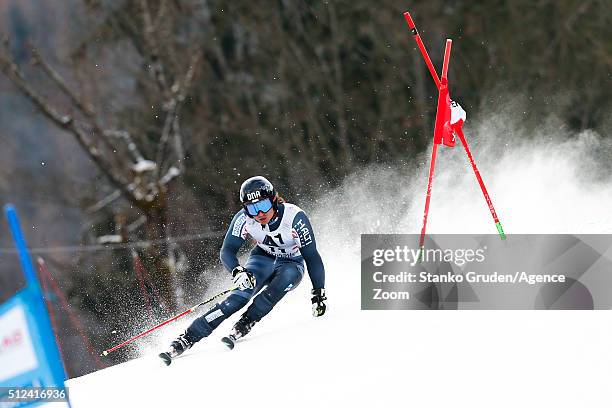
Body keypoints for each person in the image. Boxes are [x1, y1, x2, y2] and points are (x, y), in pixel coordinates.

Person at [159, 176, 327, 365]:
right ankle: (188, 337)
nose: (260, 213)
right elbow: (227, 251)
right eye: (252, 208)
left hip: (291, 262)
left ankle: (247, 322)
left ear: (273, 199)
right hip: (262, 259)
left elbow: (312, 256)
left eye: (263, 205)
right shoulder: (243, 218)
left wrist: (318, 293)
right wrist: (238, 271)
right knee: (237, 299)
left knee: (280, 284)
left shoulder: (294, 217)